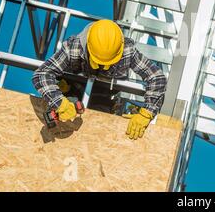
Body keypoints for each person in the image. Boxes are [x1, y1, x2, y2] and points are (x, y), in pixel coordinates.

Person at [32, 19, 167, 140]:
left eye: (108, 63)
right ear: (88, 49)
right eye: (99, 62)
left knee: (95, 134)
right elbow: (42, 74)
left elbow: (156, 77)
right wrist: (60, 102)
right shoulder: (74, 48)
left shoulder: (127, 52)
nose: (103, 66)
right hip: (72, 87)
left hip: (104, 94)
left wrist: (147, 112)